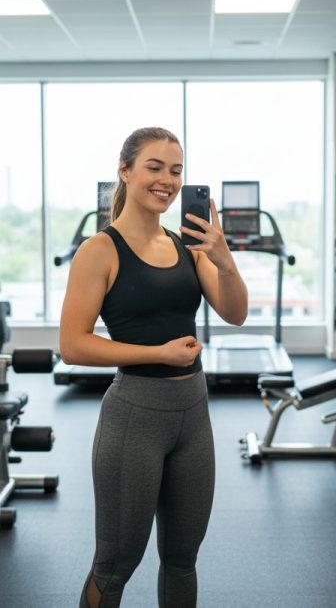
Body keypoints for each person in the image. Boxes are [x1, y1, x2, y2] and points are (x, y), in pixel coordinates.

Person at [59, 127, 248, 607]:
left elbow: (235, 313)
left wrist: (225, 261)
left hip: (194, 415)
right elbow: (73, 346)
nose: (168, 180)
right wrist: (158, 353)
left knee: (183, 558)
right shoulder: (100, 250)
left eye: (176, 170)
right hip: (135, 416)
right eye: (155, 167)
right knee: (115, 564)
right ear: (125, 171)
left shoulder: (187, 245)